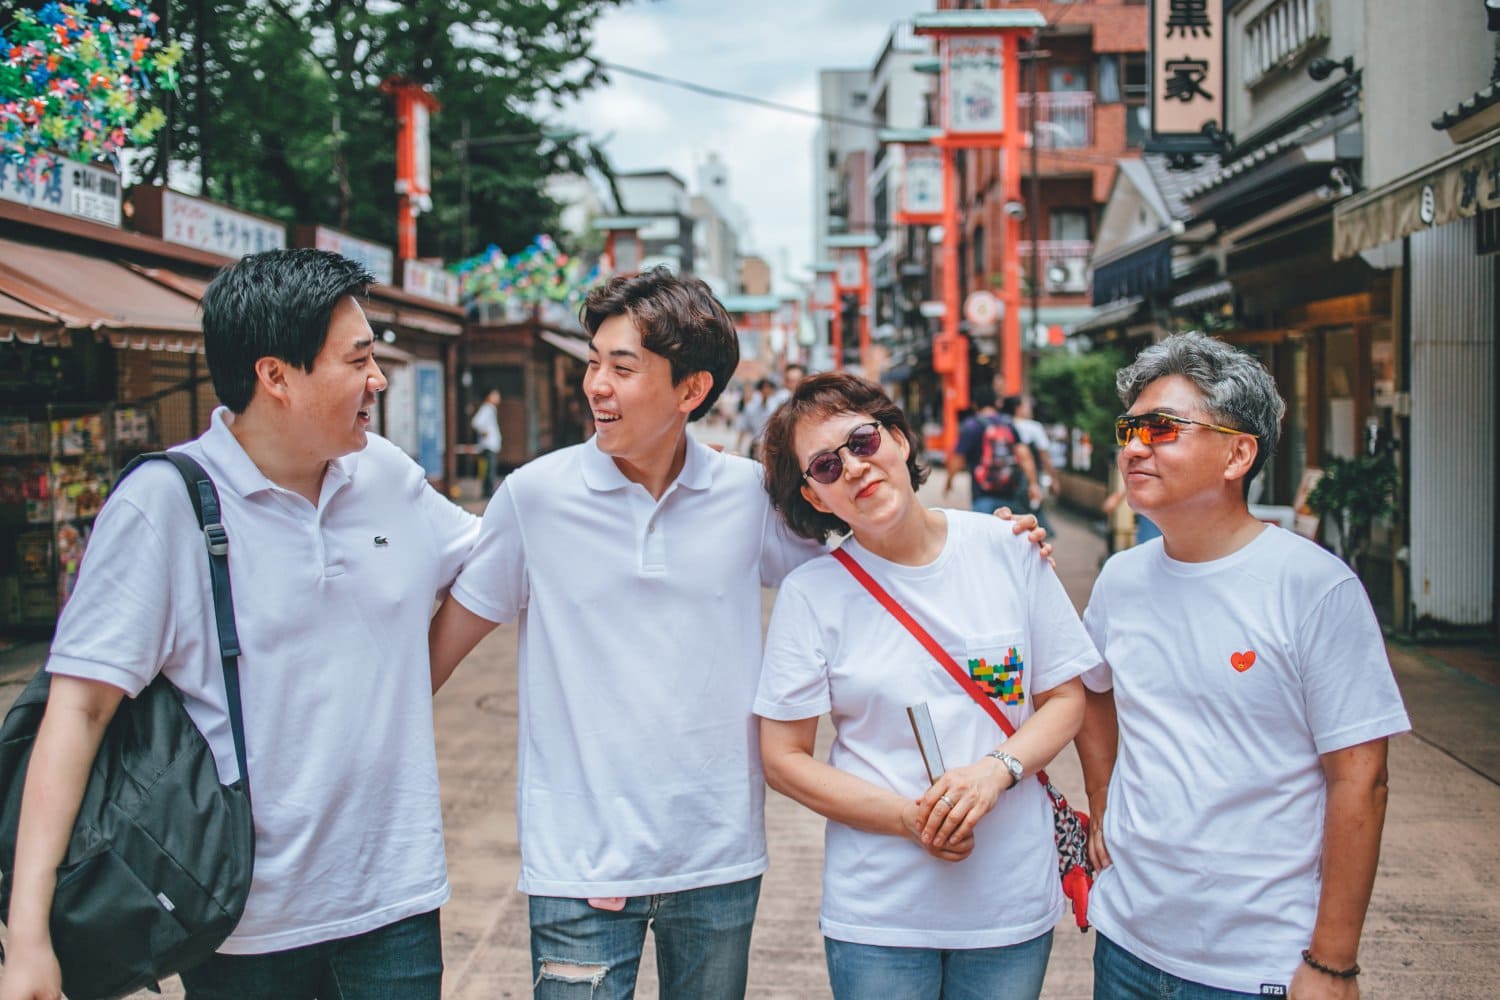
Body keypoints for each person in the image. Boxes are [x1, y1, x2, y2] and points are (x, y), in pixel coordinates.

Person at [425, 269, 1048, 1000]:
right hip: (578, 862)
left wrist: (986, 542)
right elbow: (439, 653)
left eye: (622, 368)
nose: (596, 383)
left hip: (716, 858)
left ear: (691, 390)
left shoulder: (746, 496)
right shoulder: (534, 498)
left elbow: (866, 574)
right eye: (595, 361)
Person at [0, 249, 479, 1000]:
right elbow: (78, 711)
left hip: (395, 905)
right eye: (358, 361)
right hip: (242, 922)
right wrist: (28, 936)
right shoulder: (165, 505)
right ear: (276, 376)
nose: (377, 380)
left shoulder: (385, 475)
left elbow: (490, 569)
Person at [1074, 332, 1410, 999]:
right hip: (1127, 940)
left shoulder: (1315, 588)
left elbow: (1361, 781)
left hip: (1258, 962)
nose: (1135, 447)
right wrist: (1103, 794)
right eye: (1130, 428)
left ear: (1238, 453)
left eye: (1163, 428)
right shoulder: (1121, 579)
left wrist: (1333, 961)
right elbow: (1092, 691)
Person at [754, 372, 1096, 1000]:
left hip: (1008, 902)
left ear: (901, 440)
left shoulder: (1009, 549)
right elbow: (782, 759)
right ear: (815, 496)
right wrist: (909, 819)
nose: (853, 468)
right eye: (826, 466)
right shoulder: (813, 595)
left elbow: (1065, 699)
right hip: (878, 911)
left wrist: (995, 771)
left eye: (862, 441)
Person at [944, 383, 1041, 516]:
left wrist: (949, 481)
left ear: (975, 404)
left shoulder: (971, 426)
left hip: (982, 494)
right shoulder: (1008, 424)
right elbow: (1025, 456)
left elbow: (957, 458)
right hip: (1009, 492)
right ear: (996, 403)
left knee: (984, 533)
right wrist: (1033, 484)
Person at [1009, 394, 1057, 533]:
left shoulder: (1006, 424)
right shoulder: (1034, 427)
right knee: (1032, 510)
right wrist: (1053, 478)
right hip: (1029, 477)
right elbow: (1044, 456)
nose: (1030, 408)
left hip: (1010, 479)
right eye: (1027, 405)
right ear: (1018, 408)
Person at [471, 387, 502, 498]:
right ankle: (488, 493)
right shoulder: (487, 408)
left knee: (489, 469)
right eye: (495, 395)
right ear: (488, 396)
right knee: (490, 469)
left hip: (489, 445)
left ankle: (487, 492)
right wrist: (484, 432)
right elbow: (476, 422)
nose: (498, 398)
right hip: (489, 445)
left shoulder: (490, 408)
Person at [737, 376, 778, 458]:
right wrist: (738, 448)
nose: (766, 391)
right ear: (759, 390)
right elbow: (743, 428)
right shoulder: (751, 408)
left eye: (768, 389)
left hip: (771, 447)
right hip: (755, 446)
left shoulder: (776, 407)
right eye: (763, 389)